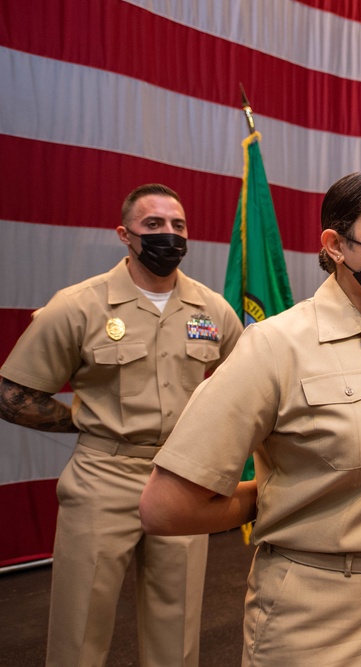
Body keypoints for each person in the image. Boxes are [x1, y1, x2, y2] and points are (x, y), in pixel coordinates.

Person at [140, 171, 361, 666]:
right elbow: (166, 507)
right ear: (336, 245)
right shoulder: (277, 344)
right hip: (323, 612)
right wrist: (275, 498)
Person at [0, 184, 242, 666]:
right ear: (124, 234)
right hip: (102, 476)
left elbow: (250, 387)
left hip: (181, 477)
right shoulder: (79, 305)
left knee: (178, 622)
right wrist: (86, 422)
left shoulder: (212, 310)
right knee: (81, 621)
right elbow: (13, 395)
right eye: (153, 225)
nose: (167, 235)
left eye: (177, 225)